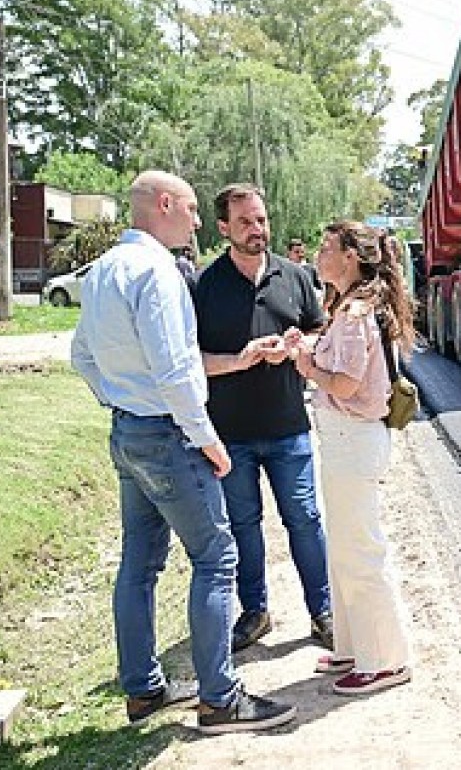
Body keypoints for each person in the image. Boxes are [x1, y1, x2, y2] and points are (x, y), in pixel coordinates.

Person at [70, 170, 296, 734]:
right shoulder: (159, 273)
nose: (198, 223)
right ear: (166, 204)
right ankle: (220, 700)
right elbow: (176, 371)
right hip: (170, 434)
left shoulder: (102, 271)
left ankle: (143, 690)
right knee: (216, 558)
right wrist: (207, 438)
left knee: (139, 565)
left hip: (128, 432)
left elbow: (82, 357)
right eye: (193, 210)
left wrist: (118, 399)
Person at [193, 184, 333, 653]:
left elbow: (319, 334)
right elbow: (190, 361)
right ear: (223, 228)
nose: (257, 229)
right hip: (230, 434)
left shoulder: (294, 277)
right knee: (243, 526)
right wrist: (241, 359)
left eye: (261, 219)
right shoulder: (204, 286)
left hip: (289, 427)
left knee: (305, 520)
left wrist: (296, 348)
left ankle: (323, 611)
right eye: (245, 222)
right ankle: (255, 612)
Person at [286, 221, 416, 697]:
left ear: (350, 258)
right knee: (344, 548)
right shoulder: (348, 307)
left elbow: (345, 384)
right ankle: (353, 647)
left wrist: (306, 366)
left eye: (326, 248)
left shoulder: (356, 312)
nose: (317, 255)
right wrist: (307, 349)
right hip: (347, 439)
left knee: (360, 551)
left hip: (354, 440)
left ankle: (385, 661)